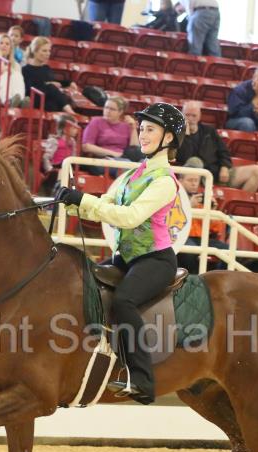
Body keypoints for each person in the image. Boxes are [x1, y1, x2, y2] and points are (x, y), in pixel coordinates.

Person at [53, 102, 188, 404]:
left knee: (124, 301)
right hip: (125, 259)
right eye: (141, 129)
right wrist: (70, 203)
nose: (143, 134)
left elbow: (129, 217)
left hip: (155, 260)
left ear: (168, 138)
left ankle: (142, 380)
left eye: (150, 129)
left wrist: (83, 200)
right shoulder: (131, 176)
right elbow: (104, 205)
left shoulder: (164, 182)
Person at [177, 100, 258, 192]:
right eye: (187, 115)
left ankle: (241, 200)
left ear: (199, 116)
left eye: (194, 115)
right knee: (195, 161)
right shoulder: (177, 135)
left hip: (217, 173)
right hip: (194, 177)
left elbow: (224, 151)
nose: (190, 118)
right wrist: (186, 136)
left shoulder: (209, 131)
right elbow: (185, 157)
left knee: (257, 171)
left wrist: (225, 166)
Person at [177, 156, 228, 274]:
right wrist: (189, 206)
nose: (194, 183)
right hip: (181, 237)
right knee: (191, 252)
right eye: (190, 180)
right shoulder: (174, 195)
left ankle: (219, 277)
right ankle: (190, 280)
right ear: (181, 180)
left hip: (202, 238)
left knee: (229, 251)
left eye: (196, 180)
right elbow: (171, 222)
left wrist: (212, 212)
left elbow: (215, 229)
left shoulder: (202, 198)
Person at [82, 95, 141, 175]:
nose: (108, 111)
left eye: (112, 109)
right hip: (101, 159)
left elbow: (134, 149)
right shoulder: (96, 122)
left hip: (123, 158)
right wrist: (114, 154)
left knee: (142, 163)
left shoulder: (126, 126)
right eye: (106, 108)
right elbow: (86, 147)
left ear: (120, 112)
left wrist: (133, 128)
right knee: (129, 167)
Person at [22, 37, 77, 114]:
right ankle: (71, 113)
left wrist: (69, 82)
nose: (48, 53)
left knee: (52, 104)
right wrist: (47, 85)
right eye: (44, 51)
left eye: (49, 51)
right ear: (34, 51)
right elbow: (29, 89)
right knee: (51, 89)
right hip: (34, 99)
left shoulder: (46, 68)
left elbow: (53, 82)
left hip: (48, 99)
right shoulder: (25, 69)